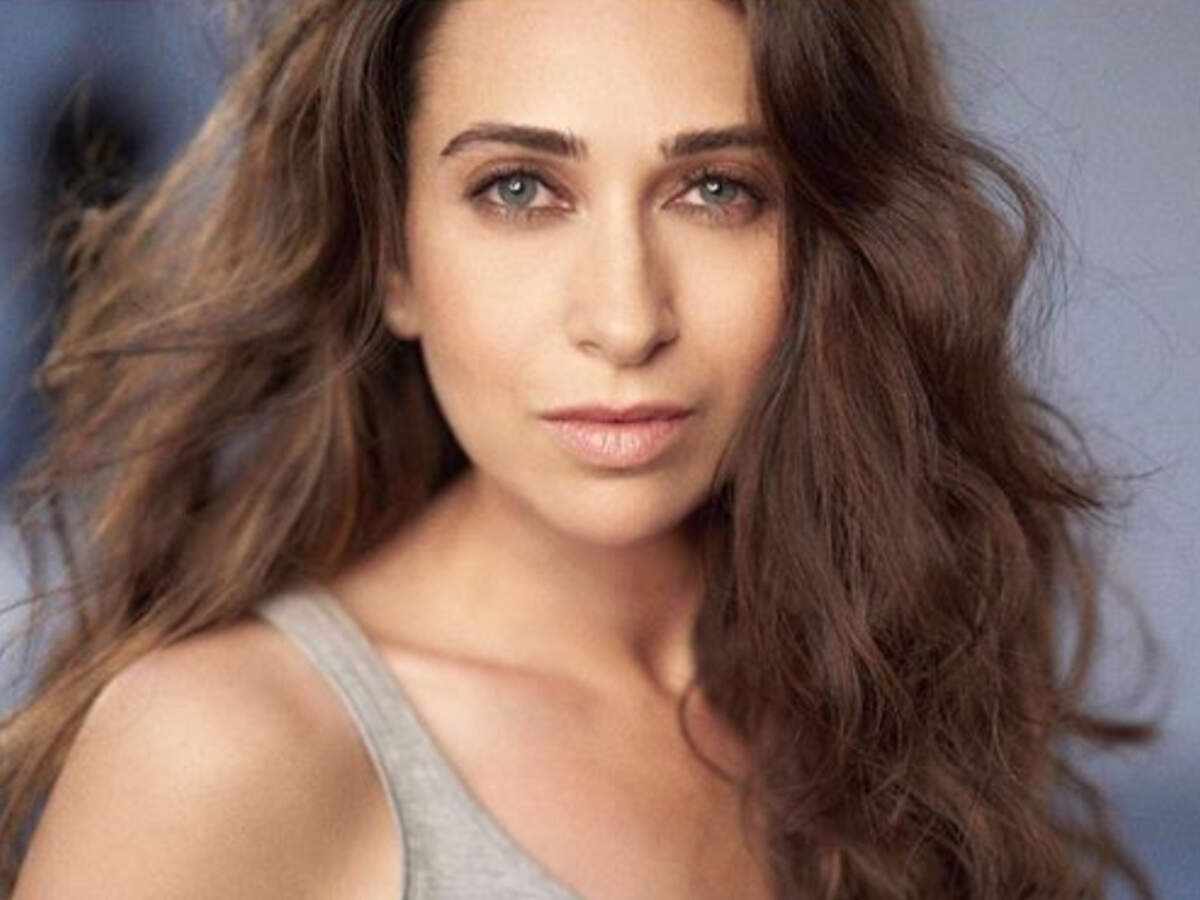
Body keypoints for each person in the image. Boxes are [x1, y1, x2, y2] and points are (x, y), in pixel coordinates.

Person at [0, 0, 1159, 897]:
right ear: (395, 258)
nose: (625, 318)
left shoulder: (882, 671)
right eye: (519, 189)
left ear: (829, 245)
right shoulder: (220, 747)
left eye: (718, 191)